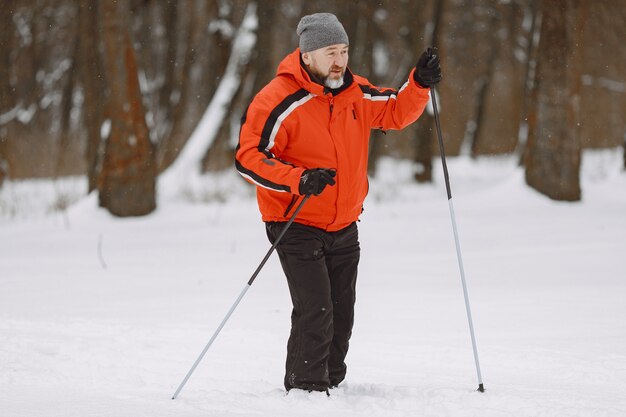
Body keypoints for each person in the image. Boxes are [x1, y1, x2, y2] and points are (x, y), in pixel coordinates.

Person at [235, 12, 442, 394]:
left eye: (344, 51)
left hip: (344, 223)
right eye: (331, 52)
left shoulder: (355, 93)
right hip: (295, 223)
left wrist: (419, 84)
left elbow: (396, 111)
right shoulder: (278, 98)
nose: (340, 61)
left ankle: (331, 383)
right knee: (317, 309)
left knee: (342, 313)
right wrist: (298, 179)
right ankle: (306, 390)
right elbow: (248, 157)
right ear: (308, 55)